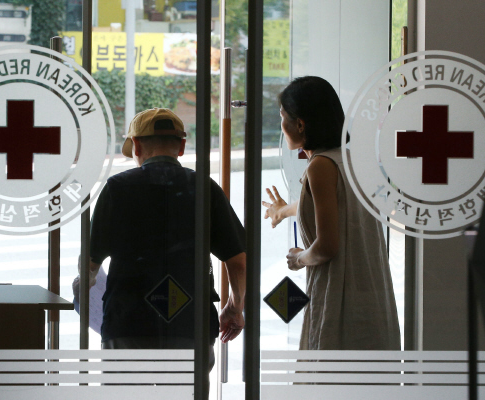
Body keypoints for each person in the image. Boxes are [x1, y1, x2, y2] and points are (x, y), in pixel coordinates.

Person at [83, 108, 246, 396]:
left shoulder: (117, 188)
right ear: (182, 146)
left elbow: (91, 265)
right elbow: (238, 262)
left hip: (128, 322)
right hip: (190, 323)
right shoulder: (205, 189)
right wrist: (234, 308)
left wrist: (85, 291)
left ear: (136, 145)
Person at [262, 76, 400, 350]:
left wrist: (299, 258)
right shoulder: (352, 159)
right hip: (372, 296)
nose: (282, 126)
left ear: (300, 124)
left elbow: (326, 247)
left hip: (341, 298)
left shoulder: (320, 167)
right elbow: (336, 208)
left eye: (283, 117)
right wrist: (285, 210)